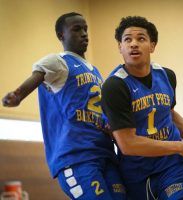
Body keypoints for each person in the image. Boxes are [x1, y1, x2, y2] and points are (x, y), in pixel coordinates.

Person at [2, 12, 126, 200]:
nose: (84, 33)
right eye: (77, 29)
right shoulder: (58, 61)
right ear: (61, 36)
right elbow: (36, 78)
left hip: (105, 154)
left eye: (85, 29)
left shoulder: (95, 71)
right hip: (77, 158)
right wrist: (18, 95)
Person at [101, 16, 183, 200]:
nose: (133, 44)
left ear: (152, 46)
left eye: (141, 39)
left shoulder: (167, 76)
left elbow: (170, 114)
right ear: (120, 47)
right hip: (137, 173)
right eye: (127, 39)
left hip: (172, 168)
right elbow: (128, 144)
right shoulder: (114, 86)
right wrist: (180, 146)